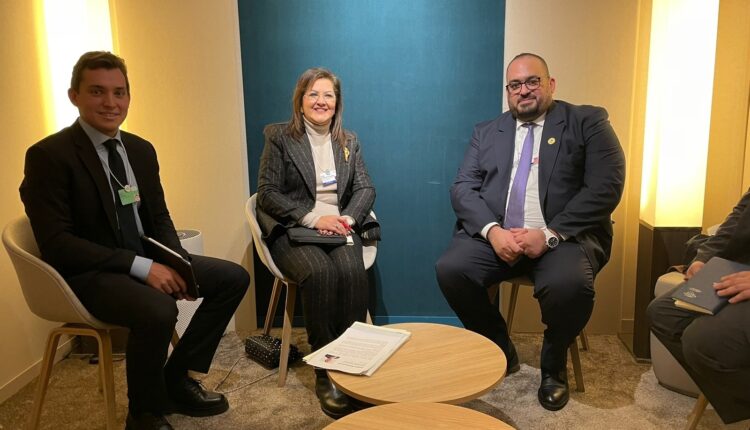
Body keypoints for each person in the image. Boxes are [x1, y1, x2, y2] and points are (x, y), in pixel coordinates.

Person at [20, 51, 249, 430]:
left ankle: (174, 381)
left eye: (119, 92)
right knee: (158, 309)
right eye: (97, 91)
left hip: (141, 257)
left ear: (128, 96)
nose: (110, 103)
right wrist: (142, 267)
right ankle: (142, 413)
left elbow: (159, 217)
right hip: (88, 273)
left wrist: (177, 261)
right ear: (74, 96)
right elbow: (58, 244)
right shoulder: (49, 155)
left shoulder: (140, 150)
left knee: (232, 279)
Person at [435, 53, 625, 411]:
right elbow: (462, 188)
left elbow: (606, 187)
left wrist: (550, 234)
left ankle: (553, 365)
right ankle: (499, 347)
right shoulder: (487, 132)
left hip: (562, 238)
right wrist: (493, 232)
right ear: (508, 91)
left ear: (550, 84)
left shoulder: (588, 122)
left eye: (532, 81)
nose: (523, 91)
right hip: (501, 236)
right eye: (515, 85)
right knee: (451, 269)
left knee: (570, 285)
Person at [256, 67, 379, 419]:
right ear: (300, 101)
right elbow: (267, 193)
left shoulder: (348, 141)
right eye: (313, 94)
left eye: (328, 95)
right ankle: (326, 370)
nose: (321, 101)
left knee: (351, 273)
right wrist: (313, 217)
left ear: (337, 102)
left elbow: (366, 188)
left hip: (339, 227)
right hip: (296, 229)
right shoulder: (279, 137)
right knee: (321, 273)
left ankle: (350, 364)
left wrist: (347, 220)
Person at [647, 190, 750, 424]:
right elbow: (737, 218)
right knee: (663, 314)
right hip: (739, 269)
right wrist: (703, 257)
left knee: (702, 342)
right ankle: (739, 405)